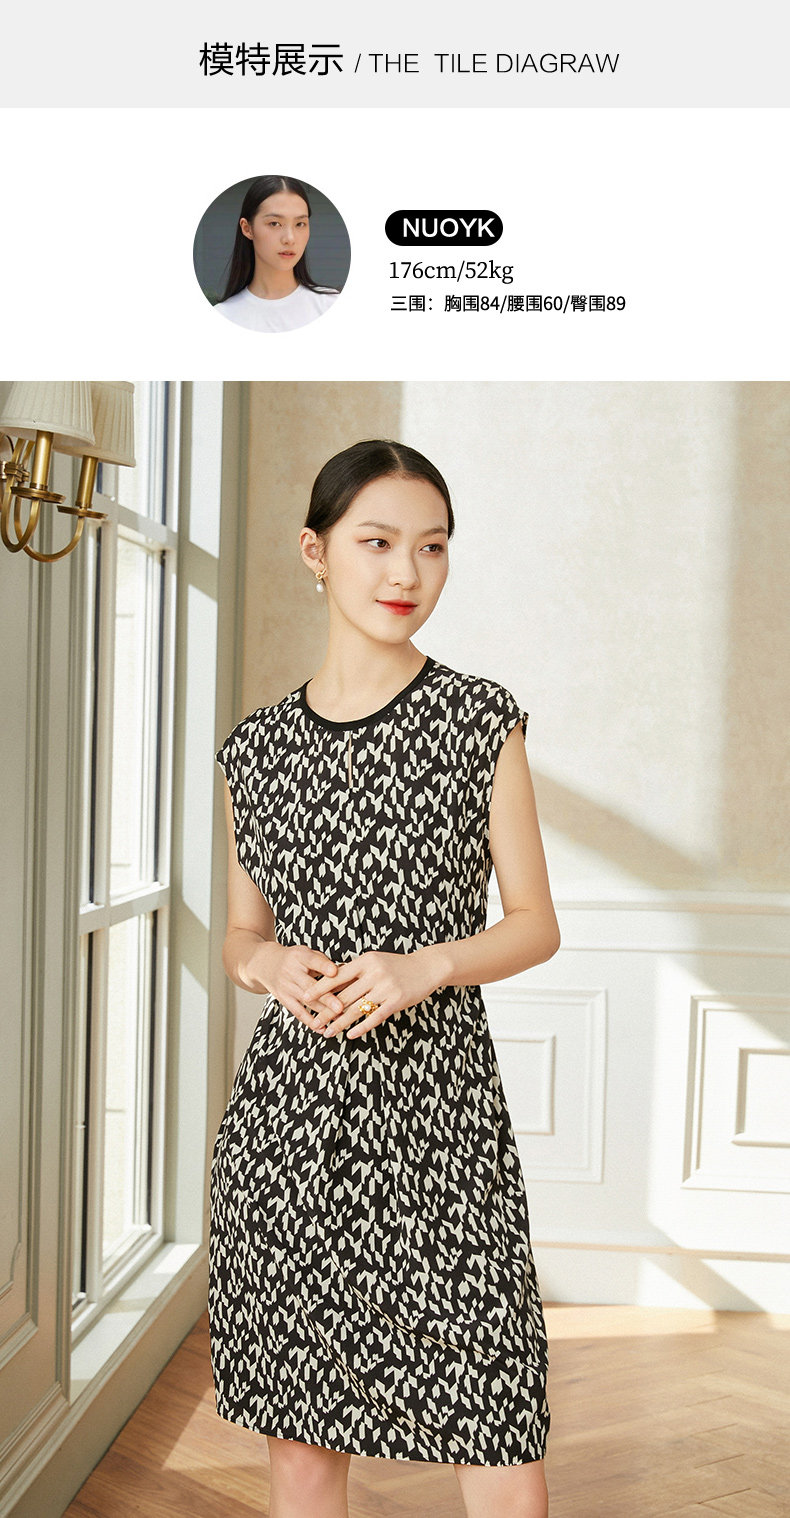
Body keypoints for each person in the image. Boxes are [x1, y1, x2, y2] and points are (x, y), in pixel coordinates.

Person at [211, 439, 560, 1518]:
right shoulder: (253, 752)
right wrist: (266, 963)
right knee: (302, 1442)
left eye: (432, 547)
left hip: (441, 1122)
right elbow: (239, 934)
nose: (406, 572)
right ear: (315, 552)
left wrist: (425, 967)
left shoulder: (478, 720)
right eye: (376, 542)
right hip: (288, 1131)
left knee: (494, 1414)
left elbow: (536, 925)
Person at [214, 175, 341, 333]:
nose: (290, 238)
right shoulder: (224, 314)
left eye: (300, 224)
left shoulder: (330, 304)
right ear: (247, 228)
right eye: (274, 223)